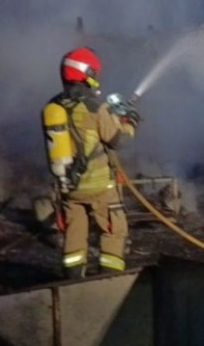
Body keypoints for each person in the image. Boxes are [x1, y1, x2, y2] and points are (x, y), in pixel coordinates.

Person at [42, 46, 138, 279]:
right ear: (87, 74)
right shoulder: (96, 108)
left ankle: (73, 282)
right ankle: (110, 281)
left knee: (75, 234)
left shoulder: (53, 107)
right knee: (114, 231)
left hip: (69, 188)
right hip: (100, 188)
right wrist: (129, 122)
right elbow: (117, 141)